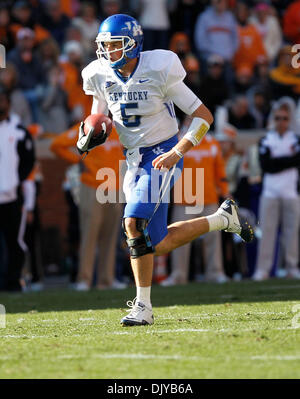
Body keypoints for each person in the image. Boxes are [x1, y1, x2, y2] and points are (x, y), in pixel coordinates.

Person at [77, 14, 254, 326]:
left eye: (115, 46)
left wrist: (177, 151)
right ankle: (223, 219)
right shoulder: (98, 74)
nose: (107, 53)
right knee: (154, 243)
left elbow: (203, 116)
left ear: (133, 46)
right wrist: (88, 136)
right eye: (103, 46)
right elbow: (99, 117)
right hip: (133, 159)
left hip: (162, 153)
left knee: (133, 223)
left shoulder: (158, 68)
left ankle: (142, 308)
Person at [253, 98, 300, 281]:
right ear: (273, 119)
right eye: (278, 118)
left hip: (291, 193)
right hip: (270, 193)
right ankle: (263, 269)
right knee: (267, 232)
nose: (281, 122)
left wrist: (279, 161)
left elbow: (295, 160)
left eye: (285, 118)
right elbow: (267, 165)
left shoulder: (295, 139)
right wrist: (289, 160)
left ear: (290, 120)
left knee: (292, 232)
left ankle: (292, 266)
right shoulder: (266, 139)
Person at [0, 85, 35, 291]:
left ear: (9, 103)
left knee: (15, 241)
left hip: (12, 196)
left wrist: (15, 181)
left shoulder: (19, 130)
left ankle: (13, 282)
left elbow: (28, 161)